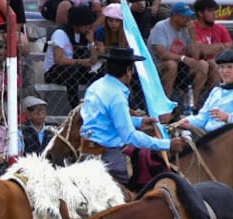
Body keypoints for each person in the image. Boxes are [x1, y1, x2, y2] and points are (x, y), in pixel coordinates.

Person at [79, 45, 185, 187]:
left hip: (88, 149)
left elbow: (105, 120)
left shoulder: (96, 86)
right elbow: (129, 136)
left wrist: (138, 122)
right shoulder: (116, 95)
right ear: (129, 70)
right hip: (108, 155)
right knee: (153, 169)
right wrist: (166, 144)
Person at [175, 46, 233, 134]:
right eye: (221, 67)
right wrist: (188, 121)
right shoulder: (217, 91)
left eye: (229, 67)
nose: (224, 71)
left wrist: (228, 117)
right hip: (209, 137)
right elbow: (203, 117)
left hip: (232, 138)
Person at [149, 2, 208, 110]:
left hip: (180, 66)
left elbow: (196, 56)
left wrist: (193, 35)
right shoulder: (161, 26)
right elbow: (162, 54)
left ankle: (192, 103)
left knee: (203, 65)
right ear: (175, 16)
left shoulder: (186, 30)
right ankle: (165, 104)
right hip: (158, 66)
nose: (188, 19)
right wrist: (183, 58)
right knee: (172, 64)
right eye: (185, 16)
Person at [43, 2, 99, 109]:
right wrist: (81, 62)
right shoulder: (60, 33)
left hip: (78, 69)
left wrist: (91, 42)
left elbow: (94, 59)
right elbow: (58, 59)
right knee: (72, 71)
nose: (88, 27)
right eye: (86, 25)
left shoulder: (86, 35)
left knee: (98, 73)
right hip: (56, 71)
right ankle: (75, 106)